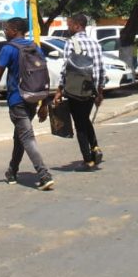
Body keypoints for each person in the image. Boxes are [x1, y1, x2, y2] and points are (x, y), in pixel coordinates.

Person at [0, 17, 54, 191]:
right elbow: (45, 74)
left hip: (17, 100)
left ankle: (44, 175)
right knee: (19, 137)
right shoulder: (34, 47)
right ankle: (12, 171)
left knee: (27, 137)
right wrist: (44, 103)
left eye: (6, 29)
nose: (5, 32)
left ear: (14, 30)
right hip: (33, 98)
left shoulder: (8, 49)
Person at [55, 13, 106, 171]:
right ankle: (95, 147)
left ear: (77, 26)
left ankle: (88, 160)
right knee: (84, 119)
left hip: (75, 90)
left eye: (70, 25)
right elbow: (100, 69)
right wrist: (100, 91)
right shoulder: (95, 43)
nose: (68, 28)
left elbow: (65, 69)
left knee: (80, 125)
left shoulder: (71, 43)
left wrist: (59, 90)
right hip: (91, 90)